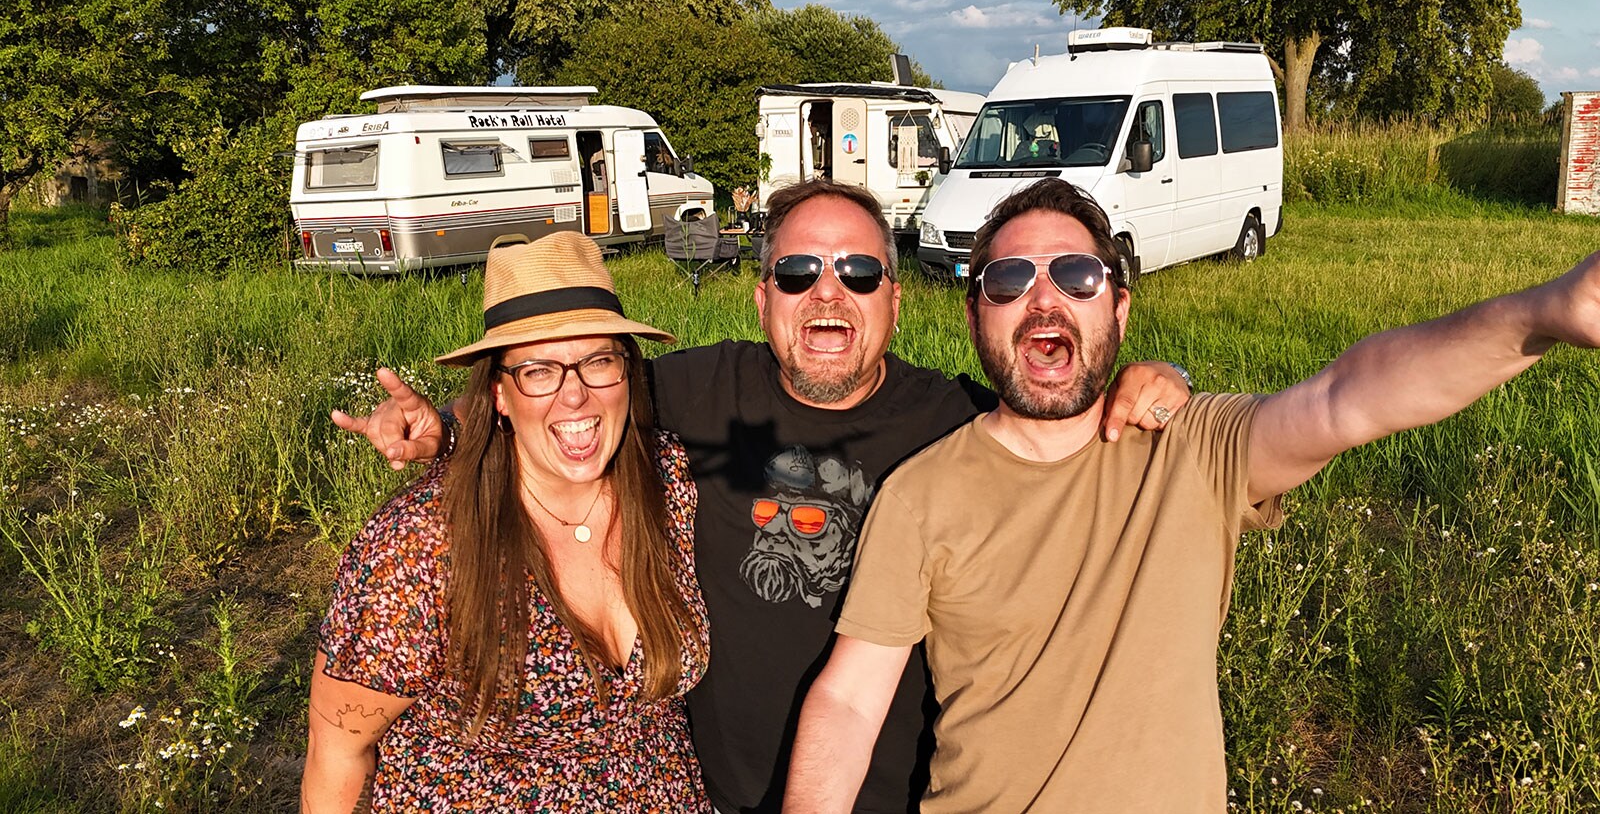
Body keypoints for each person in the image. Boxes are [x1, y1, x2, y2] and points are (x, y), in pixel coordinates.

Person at [333, 179, 1194, 813]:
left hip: (894, 797)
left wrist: (1156, 377)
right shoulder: (701, 390)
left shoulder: (956, 420)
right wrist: (447, 429)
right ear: (762, 299)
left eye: (859, 272)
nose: (828, 291)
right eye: (798, 272)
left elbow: (1059, 412)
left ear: (895, 300)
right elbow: (571, 396)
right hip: (715, 795)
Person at [783, 178, 1600, 813]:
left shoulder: (1195, 447)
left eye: (1077, 275)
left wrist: (1549, 311)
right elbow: (850, 701)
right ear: (974, 317)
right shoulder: (922, 493)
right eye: (1009, 279)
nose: (1045, 299)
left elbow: (1348, 399)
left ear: (1119, 308)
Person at [302, 233, 711, 812]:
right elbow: (338, 750)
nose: (575, 396)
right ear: (498, 394)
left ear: (628, 372)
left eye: (598, 361)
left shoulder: (666, 482)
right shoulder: (422, 543)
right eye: (539, 371)